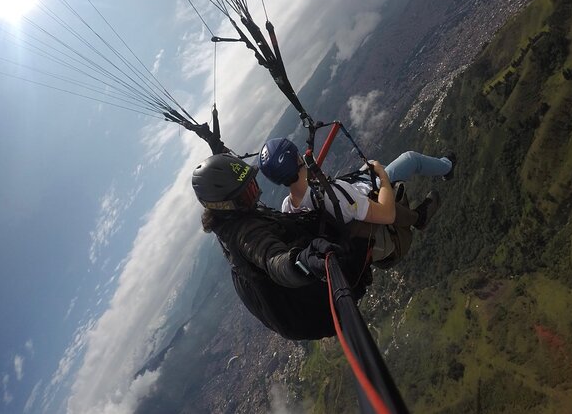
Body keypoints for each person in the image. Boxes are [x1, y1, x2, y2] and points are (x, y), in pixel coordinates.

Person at [192, 152, 374, 340]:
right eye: (247, 194)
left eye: (253, 186)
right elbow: (273, 260)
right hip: (315, 309)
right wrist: (303, 262)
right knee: (364, 226)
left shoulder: (231, 218)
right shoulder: (245, 235)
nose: (255, 195)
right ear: (226, 205)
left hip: (300, 310)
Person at [258, 138, 455, 265]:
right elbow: (387, 214)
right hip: (373, 207)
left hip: (355, 212)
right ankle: (447, 167)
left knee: (368, 168)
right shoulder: (333, 195)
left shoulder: (289, 207)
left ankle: (416, 214)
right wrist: (383, 178)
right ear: (299, 160)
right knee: (410, 159)